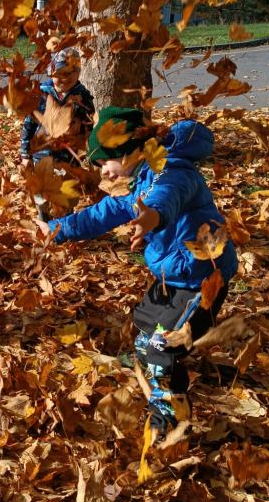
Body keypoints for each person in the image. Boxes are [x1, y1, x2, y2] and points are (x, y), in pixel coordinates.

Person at [36, 107, 238, 438]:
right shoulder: (141, 180)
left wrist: (149, 218)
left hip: (202, 280)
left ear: (129, 150)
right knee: (145, 328)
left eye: (106, 162)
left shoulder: (173, 171)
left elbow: (165, 198)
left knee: (160, 346)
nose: (104, 171)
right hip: (173, 275)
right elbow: (105, 212)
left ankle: (170, 419)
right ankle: (162, 361)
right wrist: (58, 229)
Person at [20, 48, 95, 218]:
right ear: (51, 72)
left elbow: (88, 127)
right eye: (60, 73)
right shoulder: (41, 94)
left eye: (70, 73)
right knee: (42, 196)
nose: (65, 78)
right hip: (42, 157)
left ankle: (65, 226)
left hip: (68, 159)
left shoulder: (82, 97)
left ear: (78, 73)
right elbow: (28, 125)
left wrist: (88, 152)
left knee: (66, 197)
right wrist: (25, 154)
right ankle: (45, 223)